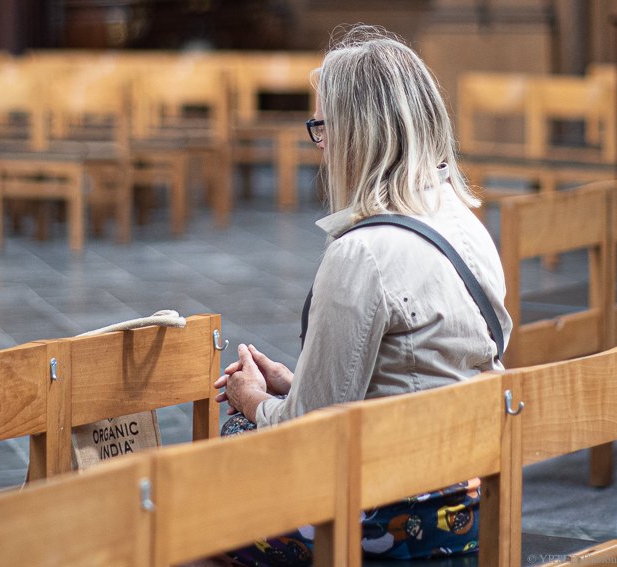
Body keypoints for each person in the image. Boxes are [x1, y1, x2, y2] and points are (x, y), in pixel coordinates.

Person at [212, 27, 512, 564]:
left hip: (399, 516)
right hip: (468, 497)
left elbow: (310, 437)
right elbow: (424, 371)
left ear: (357, 134)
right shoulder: (464, 221)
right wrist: (296, 383)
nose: (320, 145)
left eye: (322, 128)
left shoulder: (361, 254)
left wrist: (251, 398)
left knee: (195, 515)